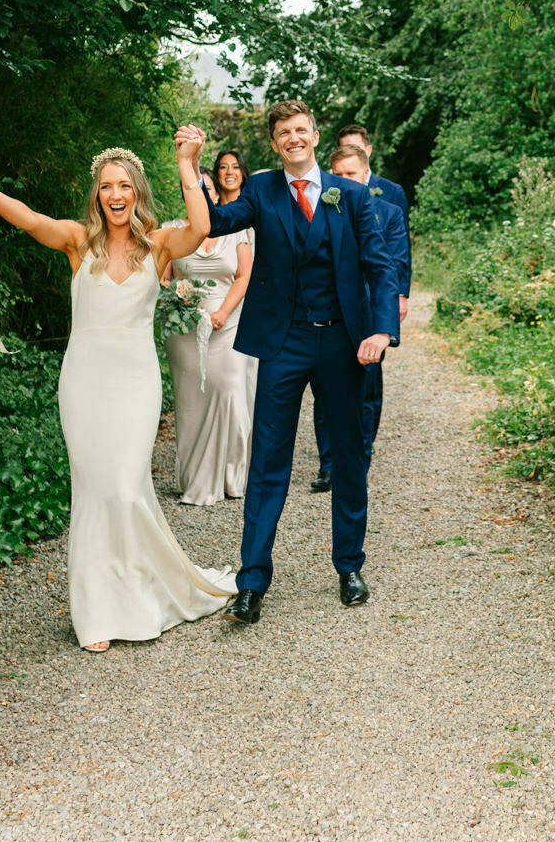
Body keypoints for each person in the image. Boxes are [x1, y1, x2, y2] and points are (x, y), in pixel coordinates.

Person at [0, 143, 235, 653]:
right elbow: (30, 220)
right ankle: (99, 613)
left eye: (124, 185)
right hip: (83, 383)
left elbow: (200, 229)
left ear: (137, 192)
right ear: (97, 195)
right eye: (106, 186)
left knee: (126, 487)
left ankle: (144, 593)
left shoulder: (159, 245)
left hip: (136, 383)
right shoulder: (79, 242)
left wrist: (188, 166)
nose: (115, 194)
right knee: (94, 491)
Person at [173, 102, 399, 624]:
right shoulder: (261, 191)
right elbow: (211, 223)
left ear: (315, 136)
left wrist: (381, 328)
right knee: (268, 459)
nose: (293, 139)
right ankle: (252, 581)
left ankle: (349, 567)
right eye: (283, 133)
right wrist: (189, 165)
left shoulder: (355, 197)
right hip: (282, 344)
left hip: (343, 343)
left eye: (301, 130)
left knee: (347, 456)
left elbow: (380, 266)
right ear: (274, 144)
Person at [311, 143, 409, 494]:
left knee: (365, 393)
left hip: (368, 312)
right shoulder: (318, 210)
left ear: (365, 175)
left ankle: (359, 461)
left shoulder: (388, 211)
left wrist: (396, 304)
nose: (344, 181)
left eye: (350, 174)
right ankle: (328, 465)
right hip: (327, 313)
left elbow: (395, 264)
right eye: (337, 175)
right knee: (323, 392)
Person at [163, 152, 256, 506]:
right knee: (190, 402)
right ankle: (195, 479)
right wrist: (177, 299)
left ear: (216, 196)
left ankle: (233, 476)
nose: (202, 194)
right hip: (185, 329)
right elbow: (164, 276)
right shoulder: (173, 231)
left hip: (228, 324)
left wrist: (223, 312)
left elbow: (244, 275)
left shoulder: (237, 229)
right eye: (195, 188)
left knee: (230, 392)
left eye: (208, 189)